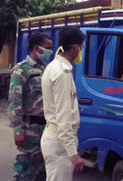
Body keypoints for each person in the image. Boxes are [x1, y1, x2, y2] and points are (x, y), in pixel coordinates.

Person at [40, 27, 85, 181]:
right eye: (82, 47)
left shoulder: (53, 67)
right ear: (76, 48)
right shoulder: (62, 73)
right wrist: (73, 153)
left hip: (55, 138)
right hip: (60, 143)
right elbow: (64, 116)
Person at [7, 32, 53, 181]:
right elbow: (14, 102)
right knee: (26, 171)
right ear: (36, 48)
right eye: (47, 48)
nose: (50, 52)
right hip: (29, 129)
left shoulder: (46, 69)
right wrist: (18, 130)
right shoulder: (21, 70)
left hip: (46, 129)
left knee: (42, 171)